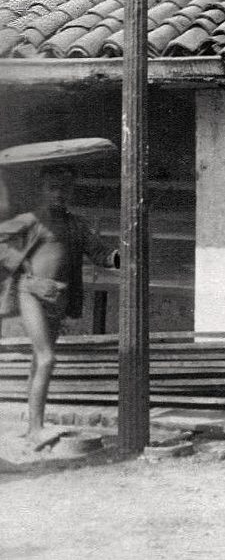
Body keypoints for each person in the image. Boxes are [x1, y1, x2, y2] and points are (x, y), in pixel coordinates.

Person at [0, 143, 119, 447]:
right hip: (32, 295)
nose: (59, 194)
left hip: (59, 299)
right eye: (53, 188)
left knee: (38, 362)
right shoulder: (32, 220)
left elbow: (101, 254)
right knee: (47, 358)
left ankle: (32, 428)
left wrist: (121, 256)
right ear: (42, 190)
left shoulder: (77, 224)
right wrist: (24, 272)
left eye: (65, 188)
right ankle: (36, 429)